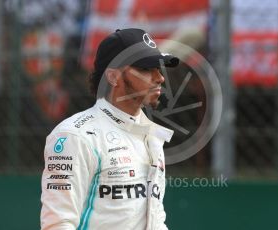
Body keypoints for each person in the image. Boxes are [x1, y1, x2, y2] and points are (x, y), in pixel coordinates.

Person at [40, 28, 179, 230]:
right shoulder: (74, 136)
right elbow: (58, 224)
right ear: (113, 77)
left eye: (158, 68)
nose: (159, 78)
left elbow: (156, 220)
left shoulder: (151, 136)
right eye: (146, 69)